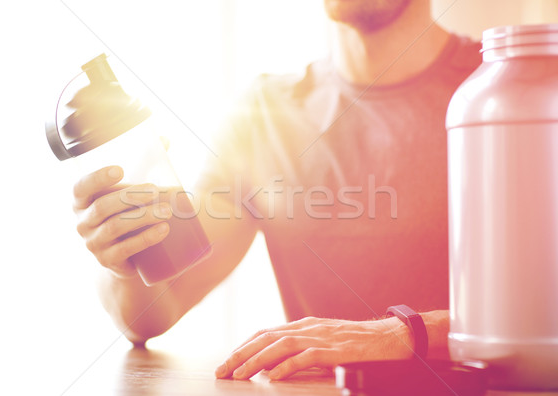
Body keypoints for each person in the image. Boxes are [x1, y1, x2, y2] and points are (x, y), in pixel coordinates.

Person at [72, 0, 481, 381]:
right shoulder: (264, 115)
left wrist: (402, 335)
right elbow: (150, 313)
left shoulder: (519, 89)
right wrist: (123, 258)